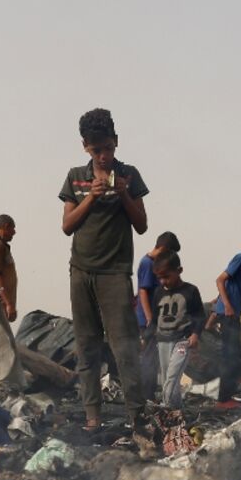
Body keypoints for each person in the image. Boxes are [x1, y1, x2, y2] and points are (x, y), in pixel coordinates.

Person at [60, 108, 149, 431]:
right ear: (86, 146)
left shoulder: (130, 174)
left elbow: (141, 225)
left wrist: (123, 192)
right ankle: (92, 418)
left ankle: (136, 414)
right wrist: (90, 199)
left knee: (124, 344)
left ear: (116, 142)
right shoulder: (75, 177)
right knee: (87, 344)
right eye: (96, 150)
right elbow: (67, 225)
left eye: (108, 148)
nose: (103, 155)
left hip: (115, 272)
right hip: (81, 271)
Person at [143, 252, 206, 409]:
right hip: (162, 341)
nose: (163, 281)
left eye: (167, 276)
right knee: (167, 379)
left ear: (179, 270)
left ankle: (166, 408)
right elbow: (155, 319)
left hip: (181, 341)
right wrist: (145, 338)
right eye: (160, 278)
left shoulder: (191, 291)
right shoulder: (158, 292)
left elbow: (199, 315)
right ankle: (176, 410)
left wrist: (195, 334)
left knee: (172, 377)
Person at [136, 232, 182, 401]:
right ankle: (145, 397)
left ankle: (149, 394)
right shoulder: (148, 263)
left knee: (154, 359)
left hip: (157, 319)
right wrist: (149, 319)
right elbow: (143, 292)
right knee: (149, 358)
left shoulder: (152, 263)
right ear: (162, 248)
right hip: (148, 319)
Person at [213, 246, 241, 408]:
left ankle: (227, 395)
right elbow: (220, 280)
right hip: (228, 314)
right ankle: (224, 399)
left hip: (232, 314)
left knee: (235, 356)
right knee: (230, 357)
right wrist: (227, 305)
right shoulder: (240, 258)